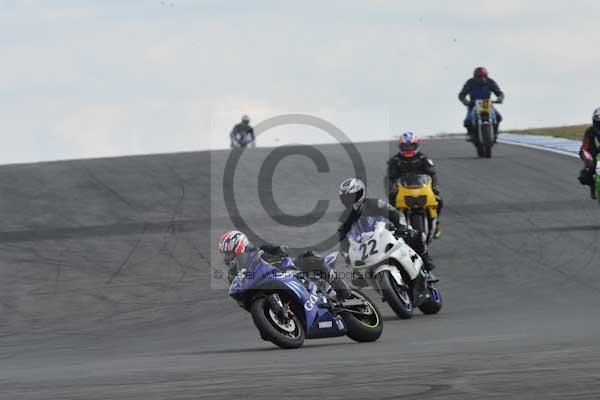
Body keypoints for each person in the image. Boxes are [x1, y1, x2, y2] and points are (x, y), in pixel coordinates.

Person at [336, 178, 437, 279]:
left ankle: (427, 267)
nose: (350, 201)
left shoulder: (375, 203)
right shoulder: (345, 217)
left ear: (361, 194)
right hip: (366, 248)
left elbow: (395, 214)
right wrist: (346, 253)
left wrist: (402, 228)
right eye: (346, 199)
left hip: (387, 234)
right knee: (357, 278)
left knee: (417, 236)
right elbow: (342, 236)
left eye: (353, 197)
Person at [218, 230, 349, 300]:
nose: (227, 257)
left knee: (310, 257)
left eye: (229, 253)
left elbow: (281, 250)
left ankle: (341, 288)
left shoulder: (261, 249)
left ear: (239, 247)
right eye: (225, 254)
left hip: (288, 271)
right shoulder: (233, 273)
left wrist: (281, 251)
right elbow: (238, 290)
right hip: (266, 289)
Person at [384, 132, 443, 238]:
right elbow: (389, 177)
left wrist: (434, 188)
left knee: (439, 200)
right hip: (402, 189)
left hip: (422, 188)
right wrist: (390, 190)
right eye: (405, 146)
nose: (408, 149)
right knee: (390, 204)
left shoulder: (423, 158)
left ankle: (436, 222)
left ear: (416, 145)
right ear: (401, 146)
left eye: (411, 146)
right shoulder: (395, 160)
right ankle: (394, 227)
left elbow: (432, 174)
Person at [459, 66, 505, 142]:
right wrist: (465, 101)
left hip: (487, 103)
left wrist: (500, 98)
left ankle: (495, 133)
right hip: (473, 104)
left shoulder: (490, 81)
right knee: (467, 121)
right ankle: (470, 134)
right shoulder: (470, 82)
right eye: (478, 77)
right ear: (474, 77)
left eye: (483, 76)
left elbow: (499, 92)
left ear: (486, 76)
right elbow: (462, 94)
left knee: (498, 117)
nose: (481, 78)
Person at [578, 108, 600, 199]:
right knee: (584, 177)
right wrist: (588, 159)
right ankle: (593, 186)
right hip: (593, 156)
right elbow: (584, 148)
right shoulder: (589, 132)